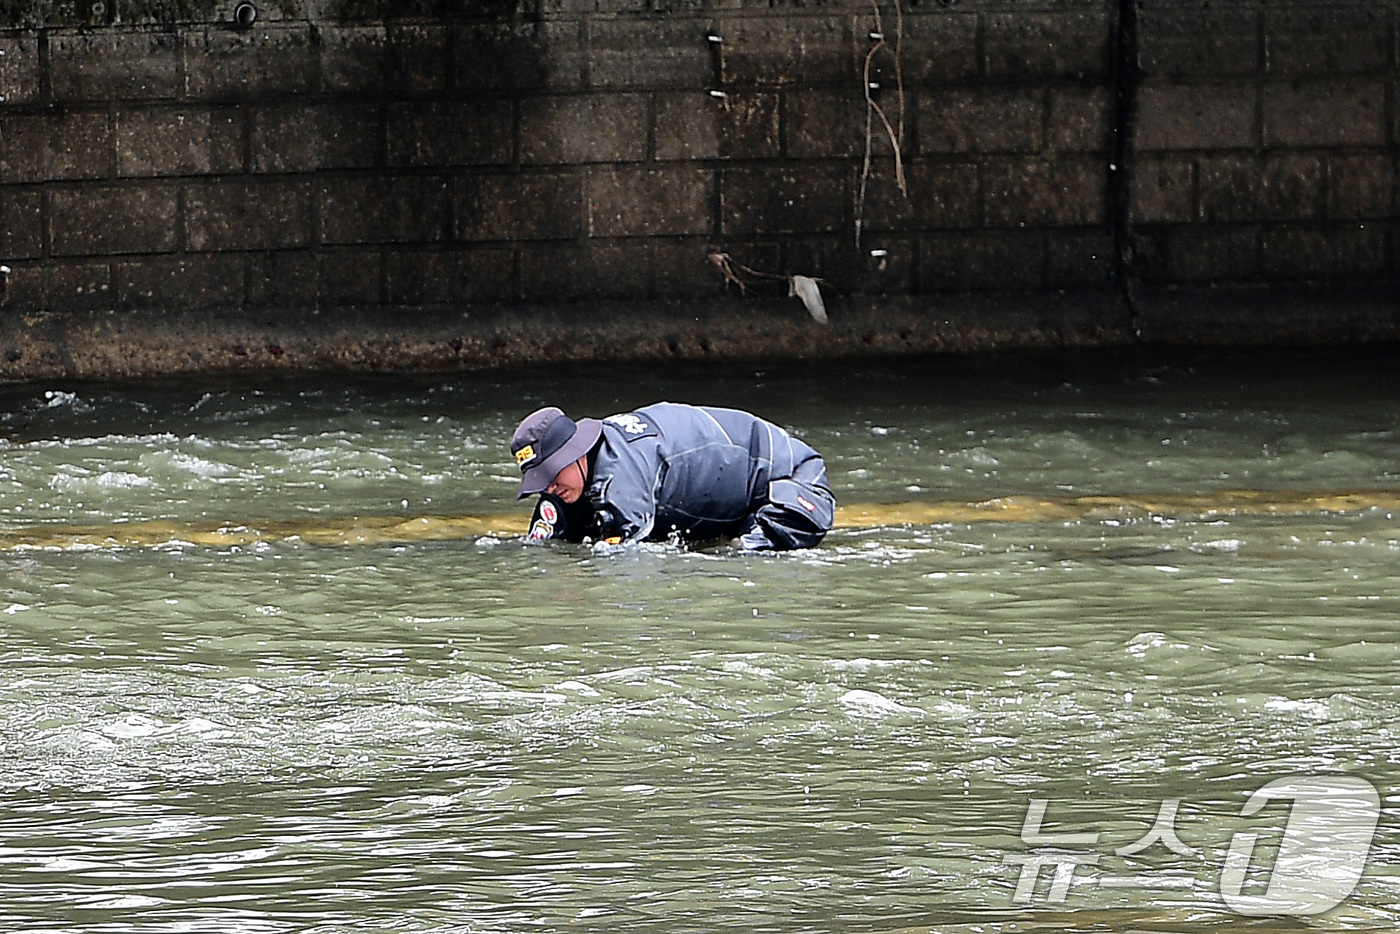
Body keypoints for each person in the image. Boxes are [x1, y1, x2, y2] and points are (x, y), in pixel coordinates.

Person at [510, 402, 835, 551]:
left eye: (551, 475)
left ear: (577, 453)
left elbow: (625, 566)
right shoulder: (567, 483)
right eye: (541, 481)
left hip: (790, 481)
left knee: (739, 555)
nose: (549, 487)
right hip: (723, 498)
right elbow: (541, 546)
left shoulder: (622, 478)